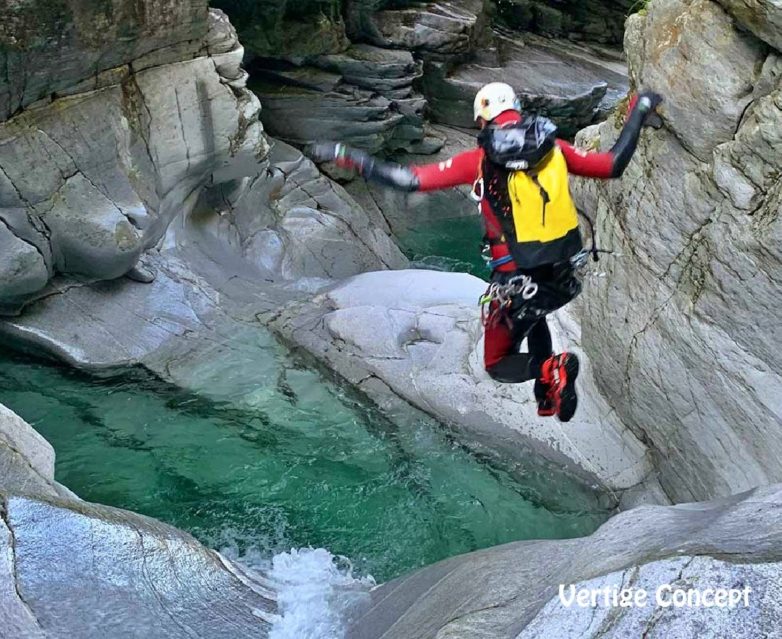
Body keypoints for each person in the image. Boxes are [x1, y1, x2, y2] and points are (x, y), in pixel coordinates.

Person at [311, 82, 662, 422]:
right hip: (565, 274)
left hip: (516, 279)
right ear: (516, 111)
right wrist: (639, 109)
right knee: (535, 314)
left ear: (482, 120)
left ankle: (550, 370)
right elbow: (611, 165)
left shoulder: (479, 160)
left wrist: (350, 156)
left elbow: (409, 179)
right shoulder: (553, 147)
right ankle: (547, 391)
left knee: (496, 364)